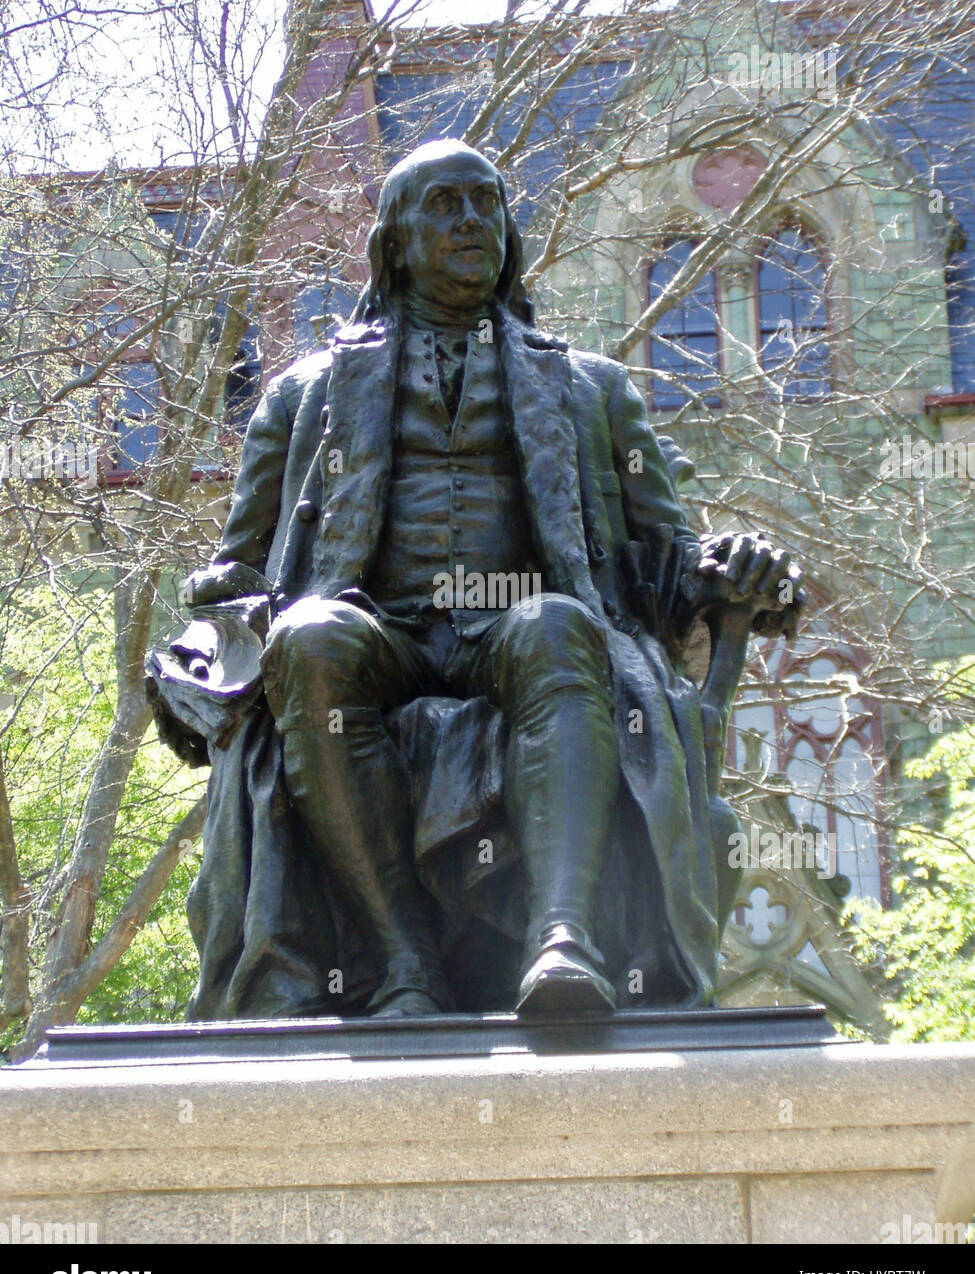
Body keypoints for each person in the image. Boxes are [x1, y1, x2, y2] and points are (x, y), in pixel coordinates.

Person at [170, 139, 801, 1021]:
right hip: (375, 627)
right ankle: (402, 962)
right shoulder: (302, 396)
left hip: (516, 626)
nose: (471, 220)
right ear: (393, 242)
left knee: (555, 622)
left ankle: (563, 943)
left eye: (486, 202)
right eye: (444, 204)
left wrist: (735, 565)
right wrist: (206, 634)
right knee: (307, 637)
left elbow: (664, 561)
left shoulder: (592, 390)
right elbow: (240, 569)